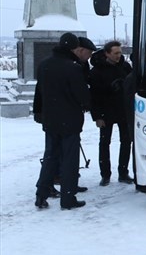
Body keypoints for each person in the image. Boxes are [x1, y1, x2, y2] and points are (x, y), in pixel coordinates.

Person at [33, 32, 90, 210]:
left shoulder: (44, 65)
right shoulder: (73, 67)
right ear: (74, 48)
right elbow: (82, 96)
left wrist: (38, 111)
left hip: (50, 120)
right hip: (70, 120)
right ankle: (68, 199)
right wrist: (88, 103)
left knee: (50, 157)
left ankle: (41, 195)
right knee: (69, 160)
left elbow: (39, 91)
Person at [89, 41, 134, 186]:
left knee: (126, 142)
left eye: (120, 53)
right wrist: (97, 116)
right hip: (105, 112)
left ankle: (123, 172)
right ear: (107, 53)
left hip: (123, 111)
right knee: (104, 143)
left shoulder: (125, 67)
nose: (118, 56)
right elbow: (94, 96)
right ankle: (105, 174)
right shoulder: (97, 71)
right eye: (115, 53)